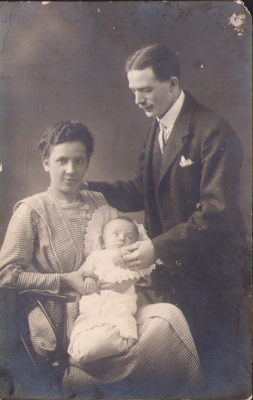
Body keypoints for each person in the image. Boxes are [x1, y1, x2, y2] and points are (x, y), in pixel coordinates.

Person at [87, 44, 251, 397]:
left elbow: (217, 213)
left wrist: (155, 247)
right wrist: (87, 188)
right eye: (134, 91)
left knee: (215, 373)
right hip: (175, 275)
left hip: (212, 279)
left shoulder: (213, 131)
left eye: (145, 90)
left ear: (173, 84)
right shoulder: (157, 127)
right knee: (180, 373)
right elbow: (140, 190)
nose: (138, 100)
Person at [0, 120, 203, 399]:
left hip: (119, 310)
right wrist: (63, 280)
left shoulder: (97, 201)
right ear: (46, 163)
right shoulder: (32, 210)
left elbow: (119, 248)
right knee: (161, 333)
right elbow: (4, 275)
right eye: (62, 161)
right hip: (72, 324)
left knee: (169, 317)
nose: (71, 170)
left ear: (87, 163)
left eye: (79, 161)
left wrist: (135, 263)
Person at [68, 216, 155, 364]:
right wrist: (89, 279)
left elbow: (144, 274)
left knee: (115, 331)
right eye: (116, 234)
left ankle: (101, 348)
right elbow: (83, 273)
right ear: (103, 241)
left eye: (129, 237)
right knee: (85, 330)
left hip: (118, 309)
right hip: (93, 307)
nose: (121, 239)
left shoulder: (132, 259)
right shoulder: (96, 256)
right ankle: (83, 351)